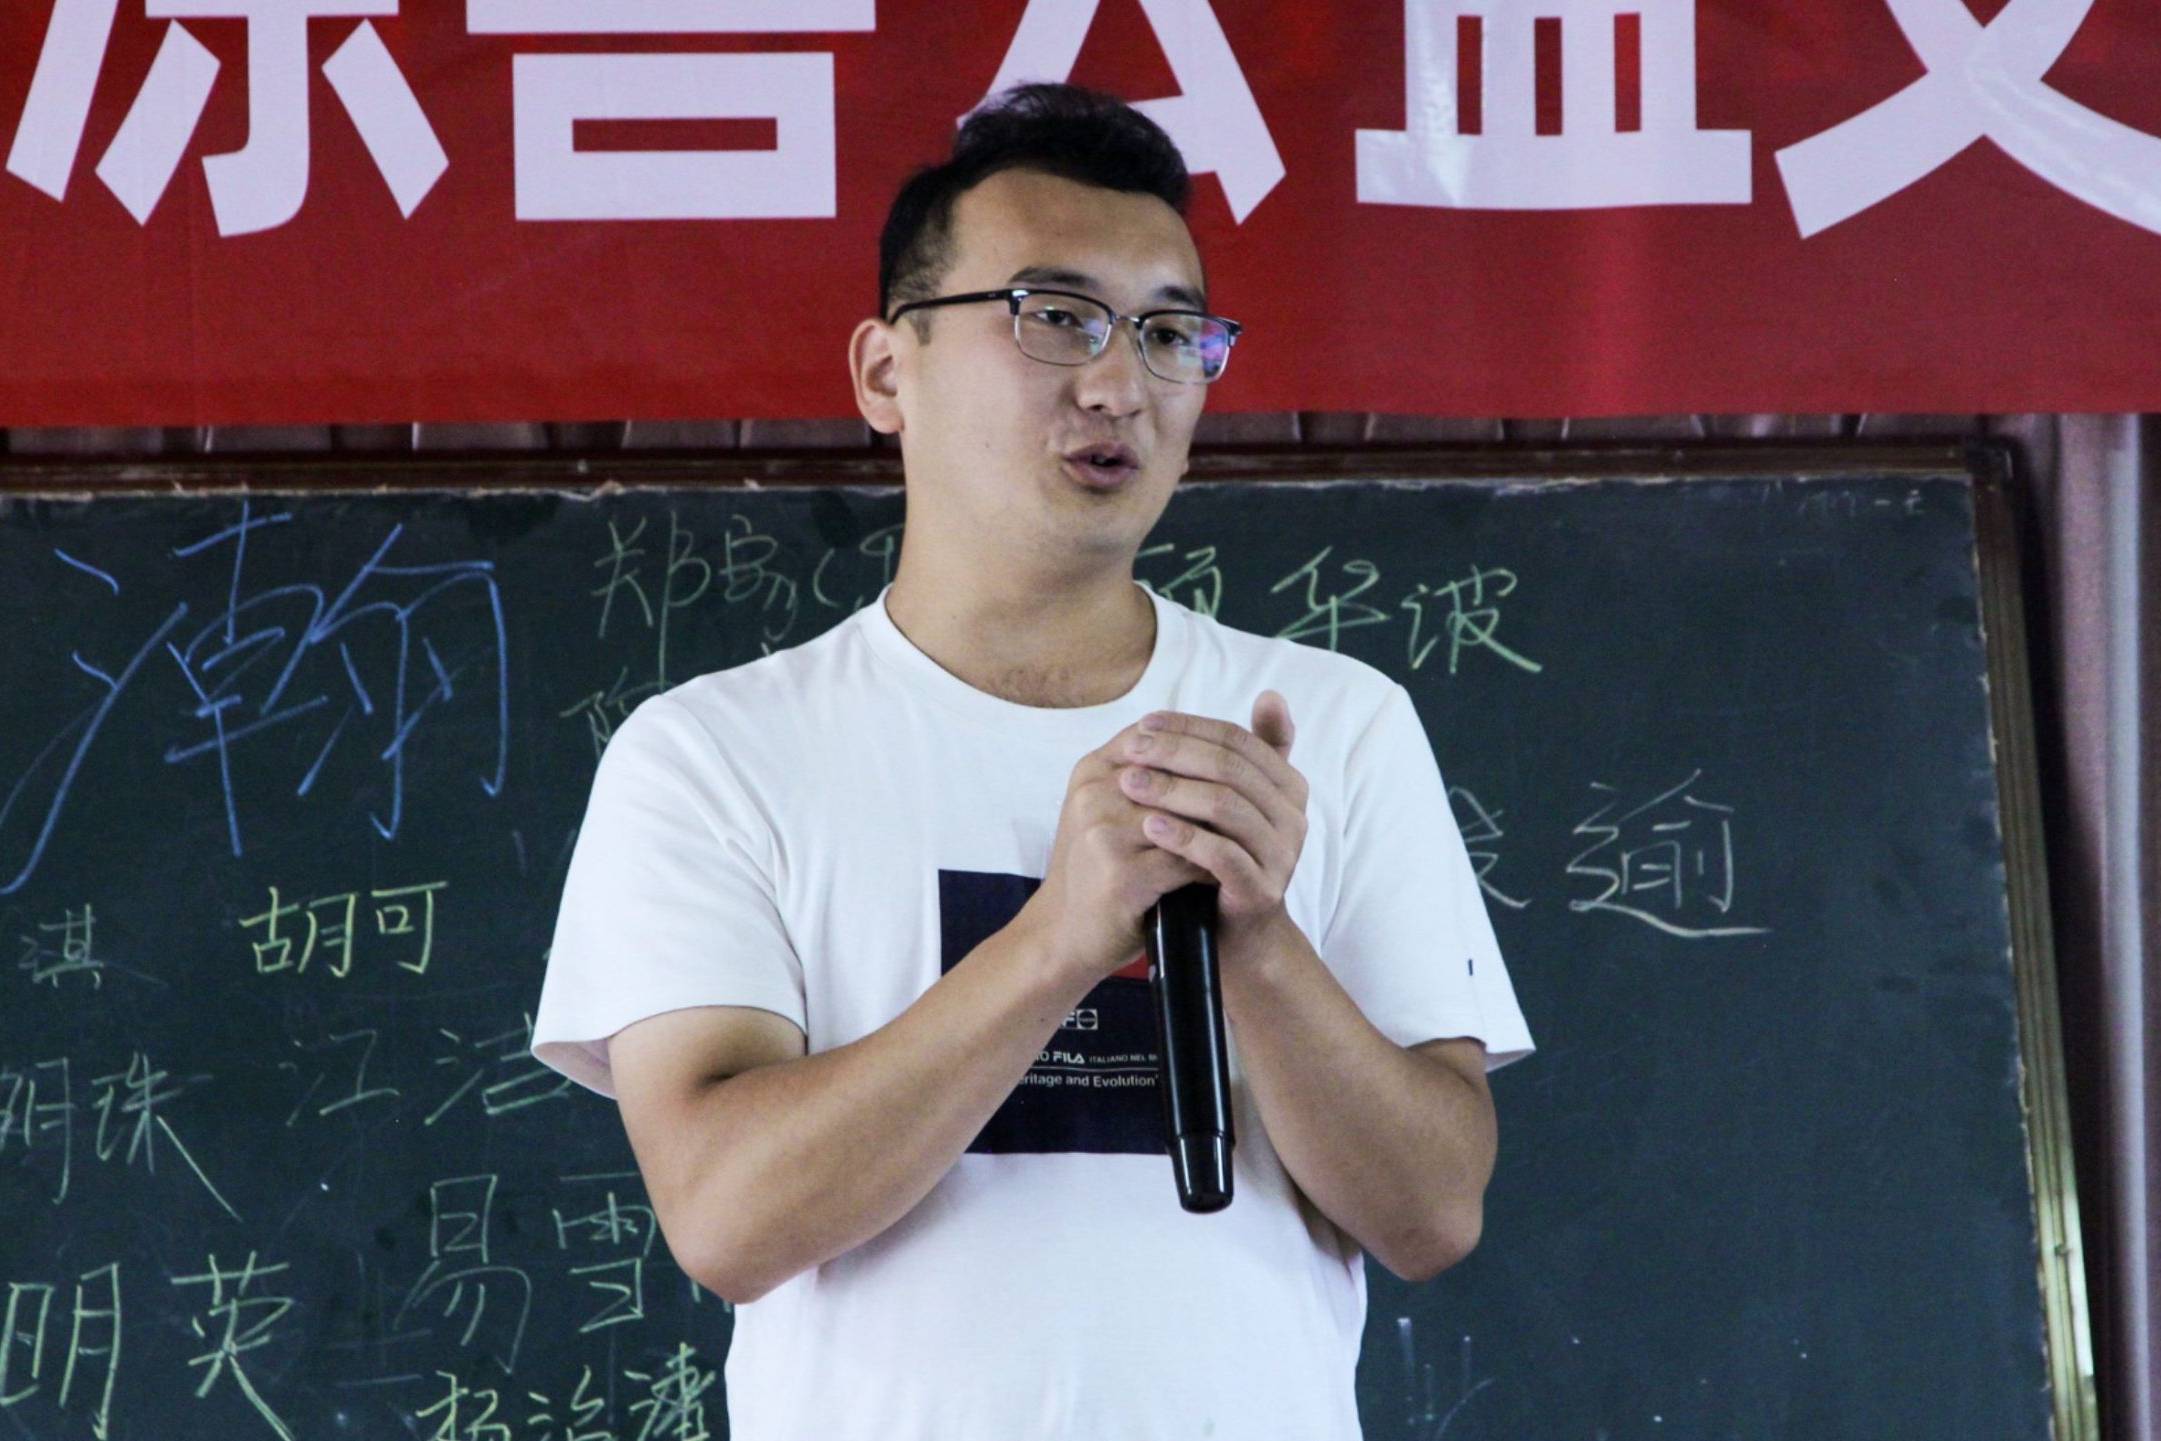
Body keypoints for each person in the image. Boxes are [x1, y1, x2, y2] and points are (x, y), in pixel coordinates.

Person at [530, 80, 1535, 1440]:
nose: (1120, 380)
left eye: (1171, 333)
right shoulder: (716, 752)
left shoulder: (1325, 722)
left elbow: (1431, 1213)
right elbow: (727, 1217)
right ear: (888, 372)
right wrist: (1059, 936)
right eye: (1054, 317)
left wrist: (1257, 935)